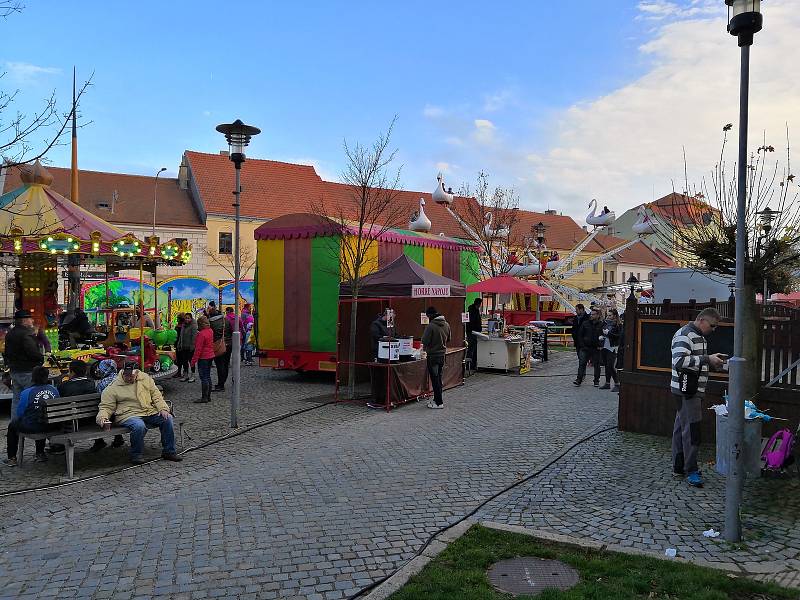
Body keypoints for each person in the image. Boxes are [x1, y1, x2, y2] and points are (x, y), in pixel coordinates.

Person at [671, 307, 726, 488]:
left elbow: (696, 362)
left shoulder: (698, 336)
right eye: (713, 325)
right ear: (701, 320)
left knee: (682, 428)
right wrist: (707, 359)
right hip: (687, 391)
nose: (714, 329)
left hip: (688, 390)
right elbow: (679, 361)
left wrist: (712, 363)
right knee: (692, 431)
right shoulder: (685, 335)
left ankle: (679, 466)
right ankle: (691, 470)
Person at [95, 362, 182, 465]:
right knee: (139, 425)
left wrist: (163, 409)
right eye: (125, 375)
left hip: (148, 411)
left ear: (137, 372)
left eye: (130, 375)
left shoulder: (145, 378)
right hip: (128, 414)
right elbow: (106, 407)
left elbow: (156, 395)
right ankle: (136, 455)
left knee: (167, 419)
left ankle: (169, 451)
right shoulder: (113, 387)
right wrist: (103, 419)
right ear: (122, 372)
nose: (128, 378)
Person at [57, 359, 126, 453]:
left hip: (75, 423)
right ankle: (107, 440)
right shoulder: (91, 384)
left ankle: (57, 446)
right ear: (85, 371)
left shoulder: (63, 386)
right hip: (93, 419)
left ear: (72, 372)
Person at [3, 309, 44, 463]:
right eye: (30, 318)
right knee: (34, 403)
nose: (32, 321)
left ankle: (15, 428)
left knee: (16, 401)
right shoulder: (27, 334)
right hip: (28, 372)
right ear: (25, 320)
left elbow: (6, 353)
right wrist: (40, 358)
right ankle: (39, 452)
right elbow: (33, 352)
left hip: (15, 372)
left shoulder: (11, 334)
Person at [4, 366, 59, 465]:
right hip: (51, 425)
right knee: (43, 418)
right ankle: (40, 454)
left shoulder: (27, 392)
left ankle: (12, 458)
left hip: (33, 427)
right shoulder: (54, 390)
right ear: (47, 377)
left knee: (12, 425)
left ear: (33, 377)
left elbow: (20, 413)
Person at [421, 307, 451, 409]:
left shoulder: (431, 326)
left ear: (430, 315)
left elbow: (424, 341)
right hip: (442, 355)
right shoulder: (446, 324)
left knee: (435, 380)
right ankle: (437, 400)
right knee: (438, 378)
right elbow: (449, 339)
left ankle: (439, 402)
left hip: (433, 356)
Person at [573, 306, 603, 387]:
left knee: (597, 365)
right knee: (582, 363)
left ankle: (596, 380)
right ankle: (579, 379)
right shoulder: (586, 323)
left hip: (596, 348)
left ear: (598, 315)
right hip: (585, 347)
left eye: (593, 314)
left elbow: (603, 336)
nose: (591, 316)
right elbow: (580, 335)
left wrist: (600, 345)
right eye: (591, 314)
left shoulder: (601, 324)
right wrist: (582, 345)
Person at [191, 315, 215, 403]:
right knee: (208, 376)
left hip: (203, 357)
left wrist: (193, 361)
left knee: (203, 377)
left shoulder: (201, 334)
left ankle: (204, 397)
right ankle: (208, 396)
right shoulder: (210, 331)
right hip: (210, 355)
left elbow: (198, 349)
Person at [599, 308, 622, 391]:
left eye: (610, 315)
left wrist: (608, 333)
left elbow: (618, 336)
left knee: (610, 365)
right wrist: (601, 336)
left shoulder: (618, 325)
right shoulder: (605, 323)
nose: (608, 317)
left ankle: (617, 383)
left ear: (614, 316)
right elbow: (601, 331)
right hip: (605, 345)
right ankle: (607, 383)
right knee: (606, 366)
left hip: (613, 347)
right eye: (607, 315)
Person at [208, 307, 231, 392]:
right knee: (225, 364)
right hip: (228, 344)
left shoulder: (211, 323)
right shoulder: (225, 320)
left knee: (220, 365)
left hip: (218, 346)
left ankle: (221, 385)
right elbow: (231, 331)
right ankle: (222, 382)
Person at [176, 313, 198, 382]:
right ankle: (185, 375)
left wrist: (192, 346)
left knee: (191, 362)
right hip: (183, 347)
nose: (187, 319)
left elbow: (194, 337)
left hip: (190, 347)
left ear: (191, 318)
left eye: (188, 318)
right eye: (186, 318)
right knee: (184, 362)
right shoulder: (183, 325)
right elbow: (181, 336)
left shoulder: (193, 326)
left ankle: (193, 375)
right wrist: (179, 344)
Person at [466, 297, 483, 369]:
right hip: (472, 332)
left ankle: (472, 364)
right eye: (480, 304)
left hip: (474, 332)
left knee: (474, 348)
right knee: (472, 348)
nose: (480, 305)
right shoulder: (472, 311)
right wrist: (477, 328)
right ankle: (469, 365)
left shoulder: (474, 310)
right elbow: (472, 322)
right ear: (478, 304)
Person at [172, 313, 185, 379]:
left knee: (183, 359)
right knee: (178, 359)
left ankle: (184, 373)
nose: (177, 319)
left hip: (182, 344)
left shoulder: (184, 326)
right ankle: (179, 372)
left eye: (178, 318)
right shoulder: (178, 326)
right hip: (177, 344)